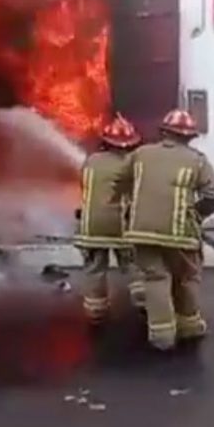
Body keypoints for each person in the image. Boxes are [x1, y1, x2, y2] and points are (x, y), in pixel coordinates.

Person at [115, 109, 214, 350]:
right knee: (186, 277)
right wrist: (197, 213)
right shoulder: (198, 160)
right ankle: (189, 326)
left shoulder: (140, 154)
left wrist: (133, 202)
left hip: (141, 231)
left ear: (163, 132)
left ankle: (162, 336)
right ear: (189, 137)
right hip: (180, 233)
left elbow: (121, 181)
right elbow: (213, 195)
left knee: (155, 278)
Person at [74, 114, 145, 324]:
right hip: (120, 225)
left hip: (91, 225)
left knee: (95, 268)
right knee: (133, 263)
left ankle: (95, 313)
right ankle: (143, 304)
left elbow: (86, 187)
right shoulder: (131, 164)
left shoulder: (91, 161)